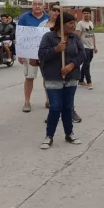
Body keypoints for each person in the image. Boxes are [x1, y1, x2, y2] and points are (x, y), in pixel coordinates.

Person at [38, 12, 85, 149]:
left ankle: (69, 133)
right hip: (53, 78)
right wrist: (56, 49)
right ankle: (49, 136)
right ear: (62, 24)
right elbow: (41, 55)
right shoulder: (48, 37)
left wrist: (71, 65)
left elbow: (82, 55)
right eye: (70, 23)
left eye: (74, 23)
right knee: (55, 107)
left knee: (67, 107)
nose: (73, 26)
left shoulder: (75, 38)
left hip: (71, 78)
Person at [18, 0, 49, 112]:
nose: (37, 6)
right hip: (29, 52)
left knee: (47, 77)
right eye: (35, 4)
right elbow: (19, 35)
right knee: (29, 77)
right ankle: (27, 102)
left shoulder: (49, 18)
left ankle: (48, 100)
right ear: (31, 6)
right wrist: (20, 53)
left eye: (40, 4)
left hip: (45, 52)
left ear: (43, 6)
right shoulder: (24, 17)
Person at [76, 7, 98, 90]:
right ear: (82, 14)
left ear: (90, 14)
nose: (86, 15)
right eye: (84, 13)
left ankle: (81, 80)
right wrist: (77, 47)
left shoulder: (91, 23)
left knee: (86, 64)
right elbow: (77, 36)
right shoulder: (80, 24)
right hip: (84, 47)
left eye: (87, 13)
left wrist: (95, 46)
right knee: (87, 65)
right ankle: (89, 82)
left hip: (90, 47)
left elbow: (92, 35)